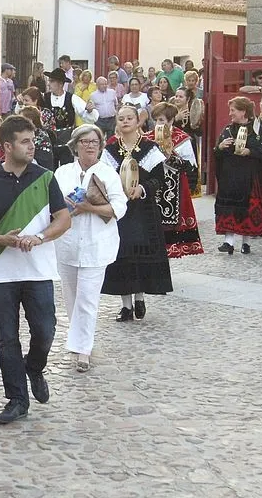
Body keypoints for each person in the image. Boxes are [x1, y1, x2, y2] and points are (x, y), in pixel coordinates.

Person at [0, 115, 71, 423]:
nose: (33, 147)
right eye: (26, 142)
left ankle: (34, 368)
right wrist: (1, 240)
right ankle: (16, 399)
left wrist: (39, 237)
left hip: (38, 271)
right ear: (8, 146)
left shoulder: (46, 177)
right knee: (7, 337)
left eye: (33, 140)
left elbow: (63, 219)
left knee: (46, 330)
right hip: (2, 273)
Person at [54, 125, 127, 373]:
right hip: (67, 244)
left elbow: (120, 208)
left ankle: (83, 350)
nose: (90, 145)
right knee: (72, 297)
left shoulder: (109, 173)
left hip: (97, 245)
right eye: (85, 141)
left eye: (95, 141)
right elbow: (50, 204)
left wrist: (91, 208)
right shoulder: (62, 173)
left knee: (87, 298)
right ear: (75, 145)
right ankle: (78, 340)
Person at [100, 105, 172, 322]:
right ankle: (126, 306)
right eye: (121, 118)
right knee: (122, 255)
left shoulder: (149, 148)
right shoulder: (111, 150)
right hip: (121, 211)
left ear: (137, 121)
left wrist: (142, 189)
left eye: (129, 118)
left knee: (140, 253)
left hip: (143, 210)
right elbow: (103, 178)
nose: (125, 122)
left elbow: (159, 179)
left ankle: (140, 297)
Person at [214, 97, 262, 255]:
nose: (230, 113)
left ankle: (245, 242)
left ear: (243, 112)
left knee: (247, 209)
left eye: (233, 110)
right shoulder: (227, 129)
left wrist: (250, 152)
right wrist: (220, 147)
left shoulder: (257, 130)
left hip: (250, 177)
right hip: (230, 177)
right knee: (228, 208)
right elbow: (217, 151)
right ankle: (228, 241)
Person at [144, 103, 203, 258]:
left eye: (162, 120)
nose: (158, 124)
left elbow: (189, 166)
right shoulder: (146, 138)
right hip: (153, 185)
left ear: (170, 121)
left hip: (174, 186)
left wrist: (170, 155)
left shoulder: (182, 139)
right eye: (156, 120)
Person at [43, 68, 99, 167]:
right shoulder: (44, 98)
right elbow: (30, 108)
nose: (48, 84)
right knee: (50, 171)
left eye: (51, 81)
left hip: (67, 144)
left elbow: (88, 115)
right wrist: (21, 102)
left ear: (60, 84)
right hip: (49, 143)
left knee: (67, 170)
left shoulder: (72, 98)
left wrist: (89, 110)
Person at [20, 105, 56, 171]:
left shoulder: (41, 137)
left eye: (22, 120)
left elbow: (42, 163)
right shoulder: (26, 135)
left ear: (31, 121)